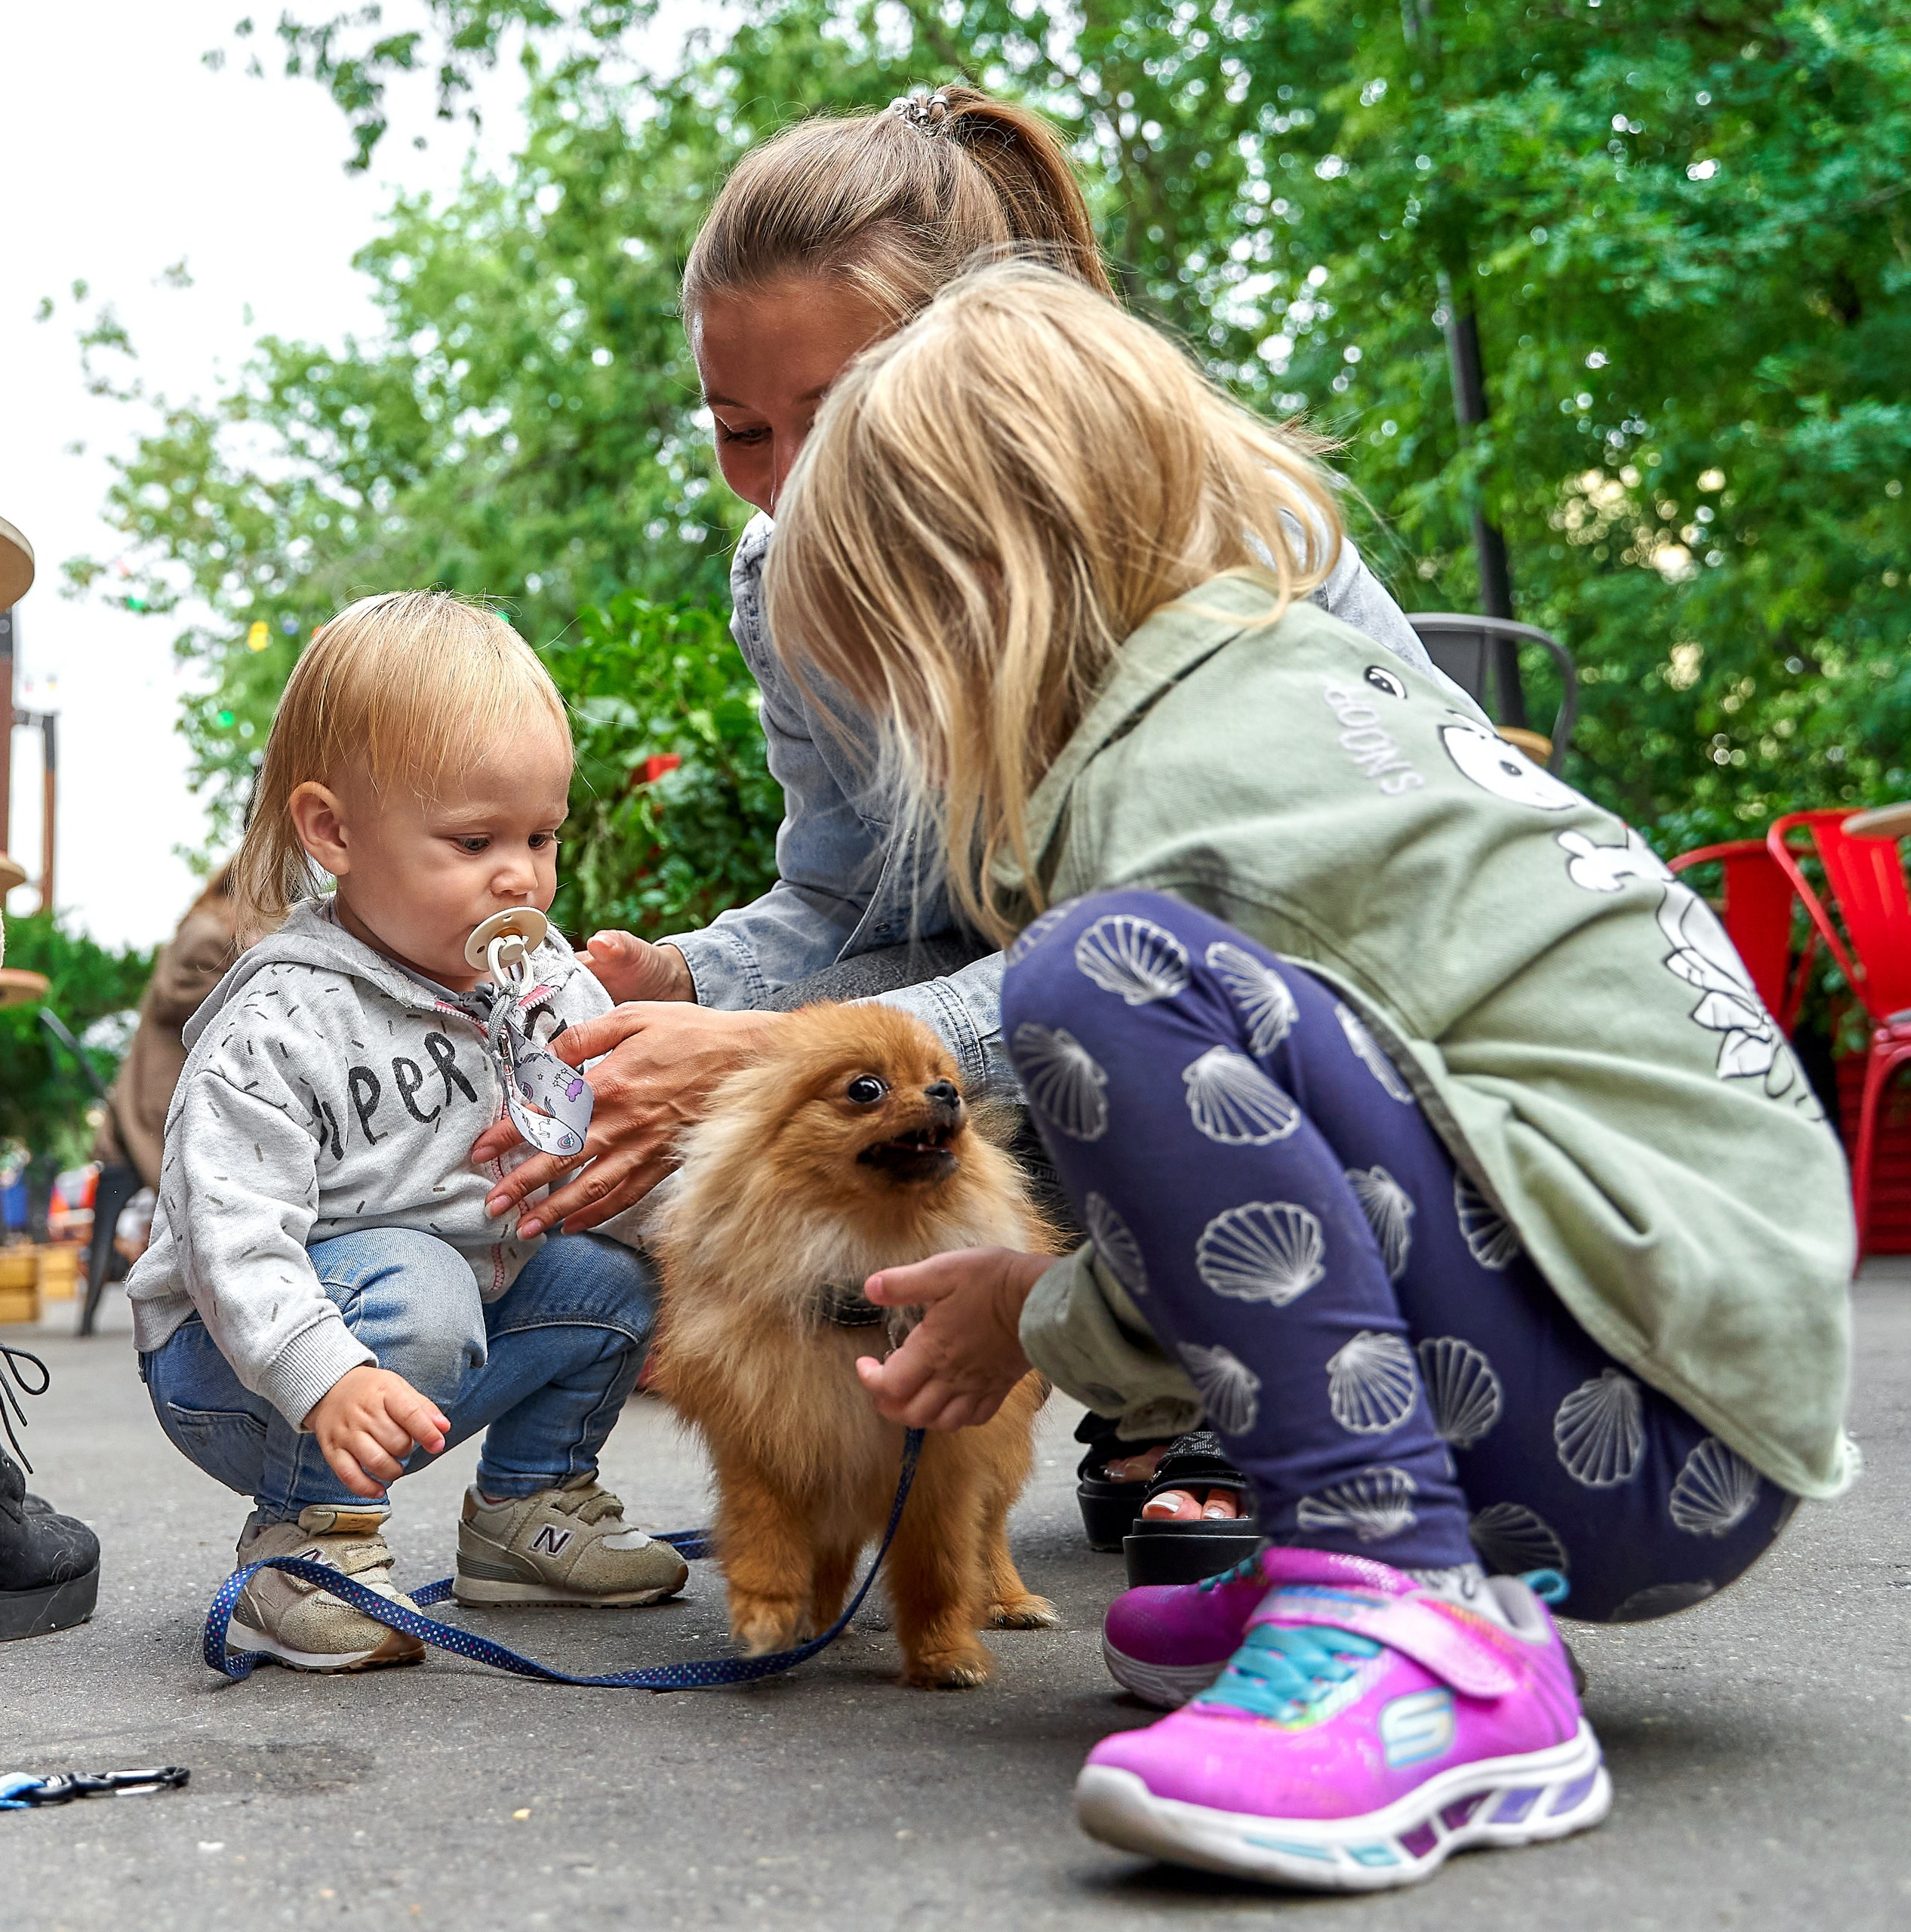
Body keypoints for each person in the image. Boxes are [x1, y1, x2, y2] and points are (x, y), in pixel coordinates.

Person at [759, 261, 1855, 1888]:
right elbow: (1326, 1164)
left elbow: (1271, 1195)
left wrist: (1039, 1316)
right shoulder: (1299, 690)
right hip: (1688, 1382)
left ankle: (1404, 1613)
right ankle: (1362, 1560)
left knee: (1090, 979)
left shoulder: (1174, 784)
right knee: (1140, 1004)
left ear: (982, 602)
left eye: (896, 682)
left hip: (1640, 1431)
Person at [477, 85, 1456, 1540]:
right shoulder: (781, 586)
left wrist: (778, 1054)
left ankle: (1231, 1394)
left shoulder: (1201, 534)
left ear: (985, 368)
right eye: (742, 429)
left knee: (1012, 1029)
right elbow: (854, 905)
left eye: (837, 411)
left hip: (1378, 1036)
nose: (791, 481)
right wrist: (687, 986)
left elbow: (1220, 937)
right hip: (1108, 996)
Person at [127, 592, 688, 1673]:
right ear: (334, 833)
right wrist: (322, 1373)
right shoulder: (280, 1022)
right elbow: (227, 1236)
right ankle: (300, 1546)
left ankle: (529, 1515)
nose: (521, 875)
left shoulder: (543, 987)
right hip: (242, 1361)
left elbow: (620, 1144)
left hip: (443, 1332)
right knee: (418, 1279)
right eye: (475, 840)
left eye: (541, 835)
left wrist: (741, 1260)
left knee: (611, 1261)